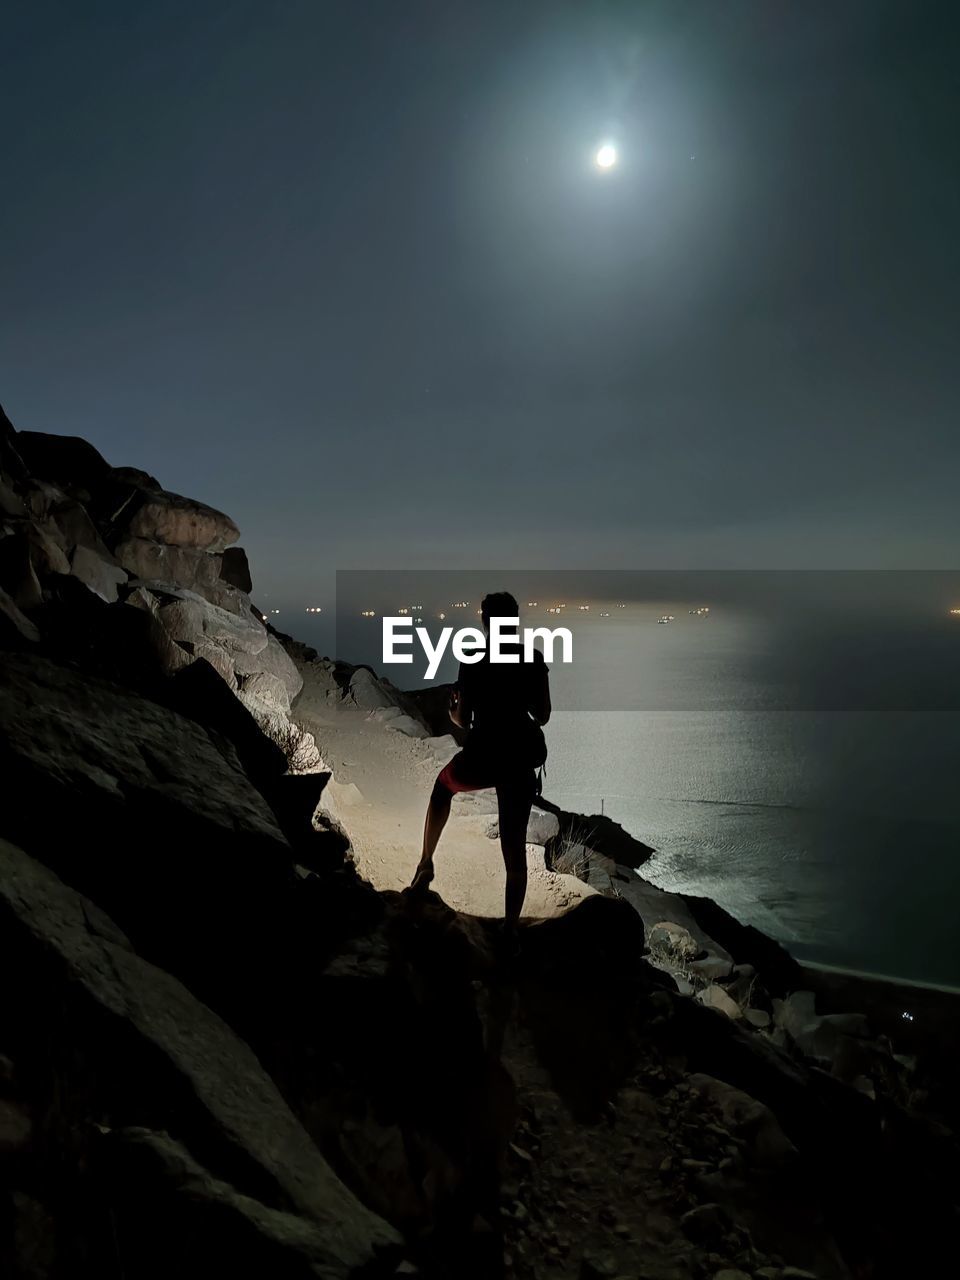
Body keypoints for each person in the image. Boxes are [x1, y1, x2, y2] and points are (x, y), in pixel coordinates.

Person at [408, 592, 550, 932]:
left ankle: (425, 864)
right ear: (514, 621)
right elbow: (542, 716)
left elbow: (463, 719)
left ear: (485, 621)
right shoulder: (532, 659)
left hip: (484, 756)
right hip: (519, 760)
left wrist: (454, 710)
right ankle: (511, 930)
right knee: (514, 852)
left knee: (443, 786)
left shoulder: (472, 661)